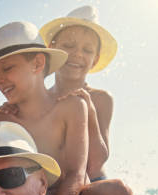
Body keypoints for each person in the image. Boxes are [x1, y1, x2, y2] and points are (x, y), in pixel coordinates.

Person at [0, 21, 134, 195]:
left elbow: (80, 175)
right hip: (34, 194)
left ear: (38, 63)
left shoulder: (75, 105)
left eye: (7, 69)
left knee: (119, 194)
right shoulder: (3, 119)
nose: (0, 80)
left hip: (71, 190)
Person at [40, 5, 117, 181]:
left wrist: (88, 109)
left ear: (95, 59)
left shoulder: (101, 99)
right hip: (50, 185)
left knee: (118, 194)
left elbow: (96, 164)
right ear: (52, 49)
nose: (77, 54)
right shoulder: (39, 99)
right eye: (68, 45)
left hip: (91, 183)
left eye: (87, 50)